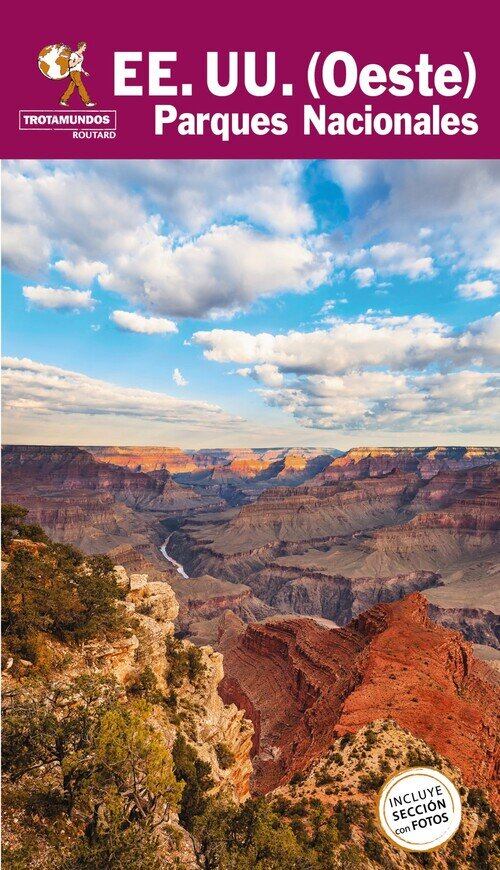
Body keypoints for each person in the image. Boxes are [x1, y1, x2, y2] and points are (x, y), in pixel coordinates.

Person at [60, 42, 96, 107]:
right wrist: (77, 61)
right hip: (74, 72)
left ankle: (63, 100)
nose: (85, 48)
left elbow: (79, 66)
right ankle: (87, 102)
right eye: (84, 46)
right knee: (80, 86)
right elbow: (70, 65)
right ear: (80, 47)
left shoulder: (82, 56)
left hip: (78, 72)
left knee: (71, 87)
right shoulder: (73, 54)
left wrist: (84, 72)